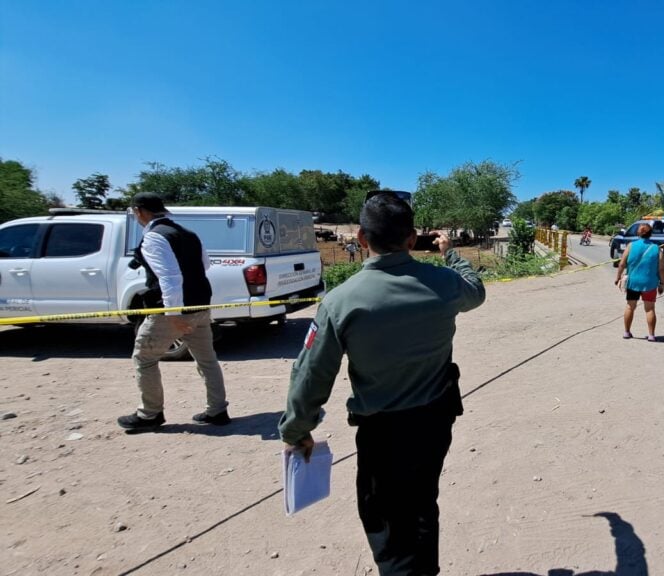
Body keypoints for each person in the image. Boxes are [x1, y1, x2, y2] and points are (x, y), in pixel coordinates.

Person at [279, 191, 486, 575]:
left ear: (361, 239)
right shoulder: (444, 284)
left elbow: (312, 374)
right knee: (423, 499)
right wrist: (451, 253)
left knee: (384, 515)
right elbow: (476, 290)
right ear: (412, 239)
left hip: (383, 429)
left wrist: (297, 429)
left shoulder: (341, 301)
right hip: (436, 420)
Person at [117, 193, 229, 431]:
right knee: (207, 360)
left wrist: (174, 314)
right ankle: (217, 410)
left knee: (144, 358)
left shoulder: (155, 237)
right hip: (200, 306)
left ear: (139, 211)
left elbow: (170, 277)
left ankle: (150, 414)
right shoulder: (188, 234)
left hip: (173, 310)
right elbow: (204, 265)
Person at [613, 224, 664, 342]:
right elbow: (662, 269)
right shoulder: (657, 248)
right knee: (650, 309)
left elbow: (622, 264)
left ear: (638, 233)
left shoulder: (631, 246)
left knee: (630, 306)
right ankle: (651, 335)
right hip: (650, 283)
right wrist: (662, 283)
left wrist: (618, 278)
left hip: (633, 282)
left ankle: (627, 332)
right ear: (651, 234)